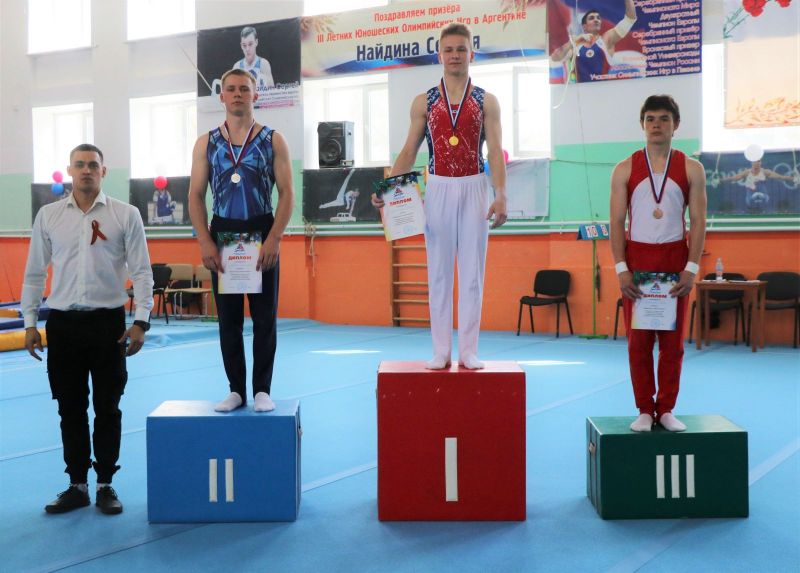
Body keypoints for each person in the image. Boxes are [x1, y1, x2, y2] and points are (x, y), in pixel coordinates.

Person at [22, 143, 154, 514]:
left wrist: (141, 320)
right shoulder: (49, 216)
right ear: (69, 170)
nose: (85, 170)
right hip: (63, 324)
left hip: (107, 324)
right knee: (70, 408)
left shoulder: (125, 214)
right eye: (79, 164)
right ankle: (77, 484)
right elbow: (34, 274)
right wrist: (30, 322)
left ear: (103, 171)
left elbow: (142, 271)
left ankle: (106, 483)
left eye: (92, 165)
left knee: (108, 407)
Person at [372, 23, 508, 370]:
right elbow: (409, 150)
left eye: (461, 49)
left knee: (473, 274)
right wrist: (387, 189)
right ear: (439, 56)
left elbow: (495, 151)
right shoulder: (425, 102)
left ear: (471, 54)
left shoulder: (486, 101)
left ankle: (469, 351)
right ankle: (441, 350)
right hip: (438, 188)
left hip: (475, 186)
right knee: (439, 273)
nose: (455, 55)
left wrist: (501, 194)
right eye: (449, 50)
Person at [188, 68, 294, 413]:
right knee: (228, 319)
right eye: (231, 89)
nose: (237, 94)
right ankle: (236, 389)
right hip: (223, 232)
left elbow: (287, 193)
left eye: (244, 89)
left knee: (264, 318)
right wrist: (205, 241)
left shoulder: (273, 140)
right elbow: (195, 195)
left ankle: (262, 389)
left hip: (262, 230)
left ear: (255, 94)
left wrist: (275, 237)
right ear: (221, 96)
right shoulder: (206, 143)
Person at [610, 95, 707, 433]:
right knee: (638, 342)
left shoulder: (692, 169)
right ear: (642, 124)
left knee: (672, 344)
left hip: (674, 261)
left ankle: (665, 409)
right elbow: (616, 221)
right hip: (638, 262)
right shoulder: (624, 169)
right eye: (650, 118)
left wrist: (691, 268)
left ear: (675, 125)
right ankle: (643, 408)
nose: (656, 125)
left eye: (664, 119)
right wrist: (621, 268)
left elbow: (698, 221)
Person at [551, 0, 637, 82]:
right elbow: (555, 58)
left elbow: (630, 19)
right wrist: (572, 42)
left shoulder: (606, 40)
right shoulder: (576, 45)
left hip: (603, 89)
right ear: (584, 26)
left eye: (598, 18)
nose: (596, 20)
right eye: (591, 18)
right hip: (581, 90)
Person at [721, 160, 796, 209]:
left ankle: (758, 196)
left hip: (764, 196)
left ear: (761, 163)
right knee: (753, 194)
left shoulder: (765, 172)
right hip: (750, 197)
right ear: (752, 163)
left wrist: (793, 179)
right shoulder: (747, 173)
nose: (757, 163)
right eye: (755, 162)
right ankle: (754, 197)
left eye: (759, 161)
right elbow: (734, 178)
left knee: (759, 191)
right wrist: (720, 180)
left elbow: (780, 177)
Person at [234, 26, 275, 92]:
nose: (247, 49)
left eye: (250, 44)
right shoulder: (237, 66)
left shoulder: (263, 64)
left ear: (256, 42)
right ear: (241, 45)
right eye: (244, 45)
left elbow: (272, 92)